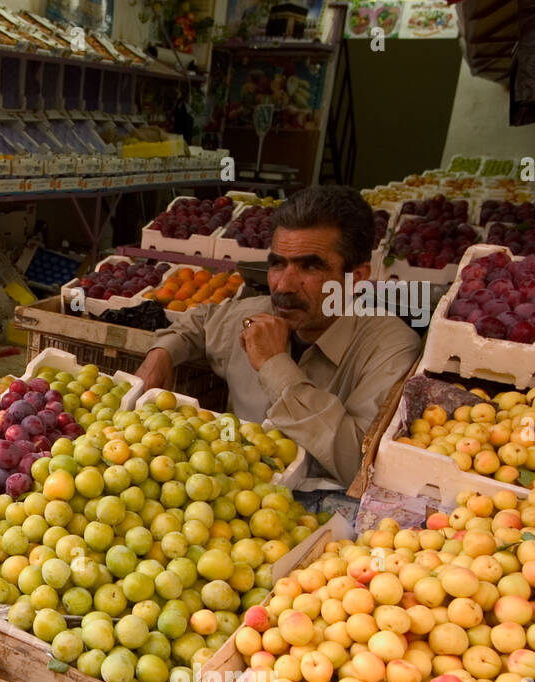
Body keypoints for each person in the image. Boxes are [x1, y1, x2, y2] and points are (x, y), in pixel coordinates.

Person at [136, 185, 422, 486]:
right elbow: (198, 323)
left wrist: (275, 365)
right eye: (277, 264)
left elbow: (362, 463)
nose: (284, 285)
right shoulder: (249, 315)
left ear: (356, 279)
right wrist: (162, 355)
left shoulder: (390, 348)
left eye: (310, 267)